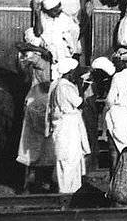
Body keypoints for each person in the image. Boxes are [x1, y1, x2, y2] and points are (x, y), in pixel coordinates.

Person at [16, 30, 55, 193]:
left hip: (37, 102)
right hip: (38, 102)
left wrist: (30, 49)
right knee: (38, 143)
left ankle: (34, 182)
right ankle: (34, 182)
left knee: (33, 143)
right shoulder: (37, 62)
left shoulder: (41, 61)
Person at [47, 57, 90, 193]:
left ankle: (71, 189)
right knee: (70, 157)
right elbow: (80, 103)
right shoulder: (66, 86)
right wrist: (81, 87)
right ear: (70, 72)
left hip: (63, 124)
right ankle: (67, 191)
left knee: (67, 158)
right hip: (68, 125)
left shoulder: (57, 84)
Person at [36, 0, 80, 73]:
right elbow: (38, 32)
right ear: (49, 11)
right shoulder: (43, 18)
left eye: (59, 8)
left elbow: (76, 33)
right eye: (55, 10)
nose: (59, 11)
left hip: (63, 54)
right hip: (49, 56)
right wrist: (37, 13)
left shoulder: (65, 18)